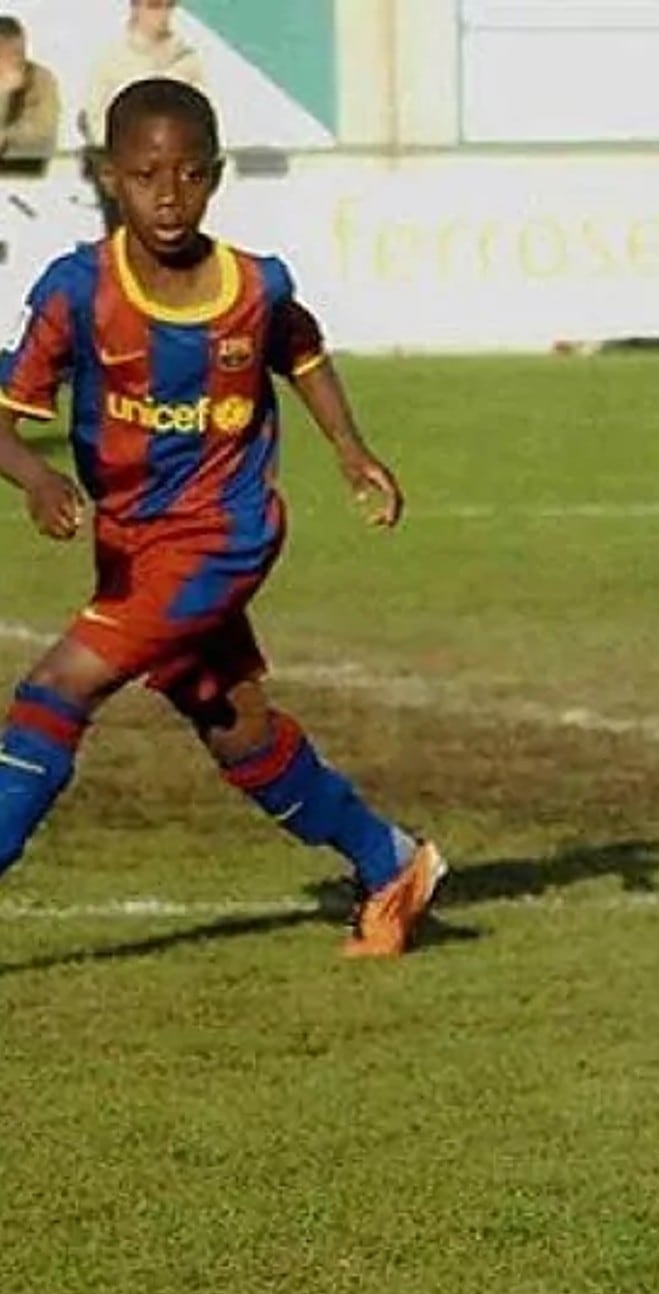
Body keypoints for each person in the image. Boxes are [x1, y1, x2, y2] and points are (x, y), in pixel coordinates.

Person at [0, 78, 445, 958]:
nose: (168, 195)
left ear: (217, 177)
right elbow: (4, 418)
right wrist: (32, 479)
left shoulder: (255, 287)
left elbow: (304, 351)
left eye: (190, 174)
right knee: (232, 724)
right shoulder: (76, 290)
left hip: (220, 538)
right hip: (129, 542)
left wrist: (351, 450)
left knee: (54, 693)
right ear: (108, 177)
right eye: (145, 175)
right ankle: (390, 860)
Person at [81, 0, 204, 232]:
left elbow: (200, 116)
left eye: (168, 5)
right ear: (136, 8)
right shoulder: (112, 59)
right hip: (130, 170)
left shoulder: (186, 60)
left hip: (177, 170)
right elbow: (94, 116)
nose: (162, 14)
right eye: (154, 5)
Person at [0, 15, 60, 167]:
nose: (14, 58)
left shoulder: (42, 79)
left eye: (18, 51)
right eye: (5, 51)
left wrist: (6, 136)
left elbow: (44, 130)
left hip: (30, 169)